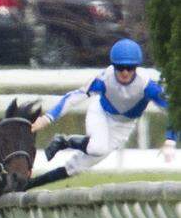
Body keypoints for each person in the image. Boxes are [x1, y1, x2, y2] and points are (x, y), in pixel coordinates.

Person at [27, 38, 176, 189]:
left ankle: (28, 185)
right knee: (97, 148)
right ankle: (64, 141)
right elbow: (73, 97)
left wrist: (170, 141)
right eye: (120, 67)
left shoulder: (148, 86)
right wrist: (47, 118)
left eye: (130, 68)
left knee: (76, 168)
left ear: (136, 67)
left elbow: (174, 110)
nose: (125, 72)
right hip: (100, 113)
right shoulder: (104, 78)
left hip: (124, 125)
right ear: (113, 66)